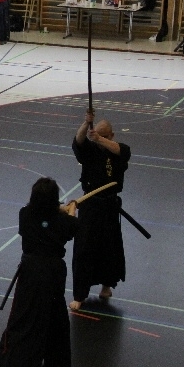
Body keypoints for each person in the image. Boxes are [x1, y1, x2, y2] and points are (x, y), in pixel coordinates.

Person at [0, 178, 79, 367]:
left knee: (28, 320)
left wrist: (58, 211)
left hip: (31, 271)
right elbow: (70, 225)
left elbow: (43, 216)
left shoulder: (25, 215)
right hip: (53, 272)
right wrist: (71, 208)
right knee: (51, 315)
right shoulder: (63, 221)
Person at [69, 109, 131, 310]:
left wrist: (99, 139)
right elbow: (78, 140)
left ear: (111, 135)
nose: (100, 139)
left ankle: (106, 286)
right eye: (98, 134)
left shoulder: (119, 150)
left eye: (105, 136)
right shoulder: (90, 150)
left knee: (109, 248)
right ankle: (80, 295)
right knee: (84, 249)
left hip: (109, 207)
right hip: (90, 206)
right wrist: (86, 123)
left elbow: (121, 151)